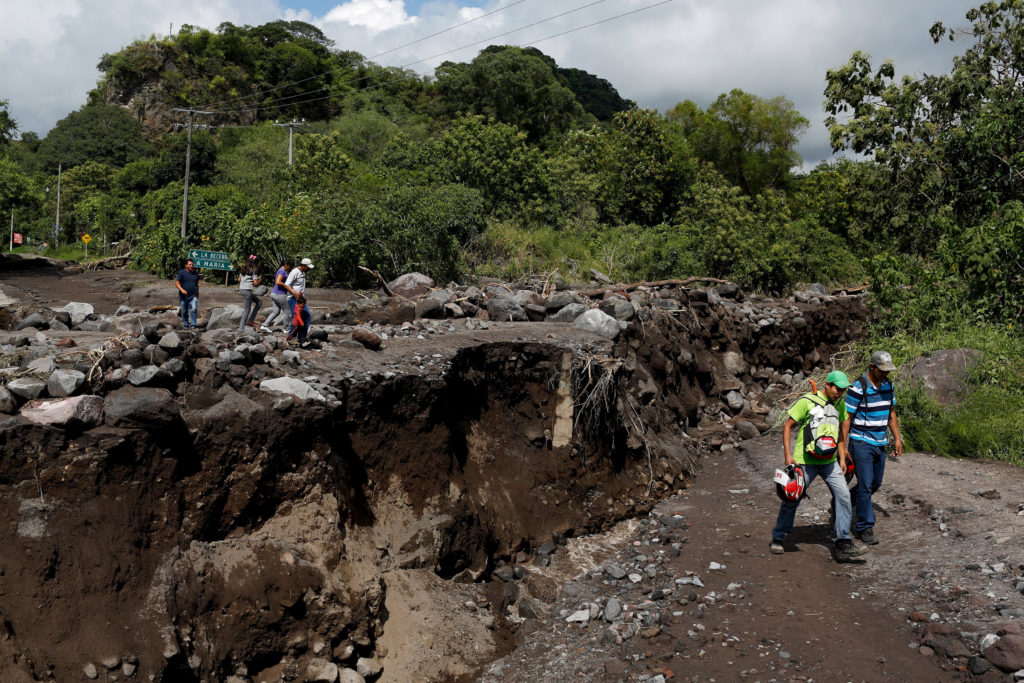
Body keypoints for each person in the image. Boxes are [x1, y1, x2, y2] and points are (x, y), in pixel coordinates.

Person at [770, 370, 868, 563]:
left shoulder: (840, 404)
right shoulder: (807, 401)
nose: (840, 393)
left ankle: (843, 543)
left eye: (842, 390)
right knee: (792, 497)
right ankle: (779, 536)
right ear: (828, 385)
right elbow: (788, 425)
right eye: (837, 389)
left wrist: (842, 456)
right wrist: (788, 455)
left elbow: (840, 432)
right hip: (805, 462)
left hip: (829, 462)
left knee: (844, 496)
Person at [844, 350, 903, 546]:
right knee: (866, 485)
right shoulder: (858, 387)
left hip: (880, 442)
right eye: (882, 370)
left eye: (888, 370)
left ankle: (843, 501)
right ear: (872, 367)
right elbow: (847, 419)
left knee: (875, 484)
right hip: (860, 442)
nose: (886, 374)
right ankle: (864, 527)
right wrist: (843, 448)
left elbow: (891, 413)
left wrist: (897, 438)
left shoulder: (889, 385)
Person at [283, 257, 313, 336]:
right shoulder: (294, 272)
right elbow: (286, 284)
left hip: (301, 299)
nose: (308, 269)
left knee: (306, 317)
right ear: (303, 265)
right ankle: (292, 337)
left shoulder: (302, 272)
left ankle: (301, 337)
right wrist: (295, 293)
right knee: (296, 317)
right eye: (307, 267)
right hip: (293, 298)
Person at [261, 258, 293, 332]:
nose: (291, 268)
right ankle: (286, 329)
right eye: (290, 266)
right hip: (280, 294)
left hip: (274, 293)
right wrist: (286, 286)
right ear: (286, 265)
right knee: (287, 312)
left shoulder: (280, 270)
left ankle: (264, 325)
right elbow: (278, 282)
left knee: (276, 311)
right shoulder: (282, 271)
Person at [237, 258, 263, 331]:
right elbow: (255, 283)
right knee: (247, 310)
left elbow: (238, 279)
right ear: (254, 264)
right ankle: (241, 328)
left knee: (259, 302)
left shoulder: (243, 270)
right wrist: (260, 280)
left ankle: (251, 321)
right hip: (248, 291)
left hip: (242, 290)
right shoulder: (253, 272)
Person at [174, 259, 200, 330]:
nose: (191, 266)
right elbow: (177, 283)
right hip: (184, 296)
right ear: (186, 265)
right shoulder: (181, 273)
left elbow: (197, 284)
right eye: (190, 264)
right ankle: (185, 325)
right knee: (184, 311)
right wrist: (182, 290)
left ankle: (193, 325)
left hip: (193, 296)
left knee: (194, 309)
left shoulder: (196, 274)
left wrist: (198, 293)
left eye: (192, 264)